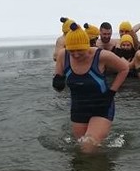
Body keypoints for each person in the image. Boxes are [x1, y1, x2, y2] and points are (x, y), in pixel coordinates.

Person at [53, 23, 129, 153]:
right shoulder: (62, 56)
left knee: (88, 145)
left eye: (80, 51)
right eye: (72, 51)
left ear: (87, 46)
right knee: (80, 147)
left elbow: (124, 68)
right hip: (78, 107)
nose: (76, 55)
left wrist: (112, 92)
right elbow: (58, 78)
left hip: (102, 104)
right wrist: (58, 82)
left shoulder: (101, 56)